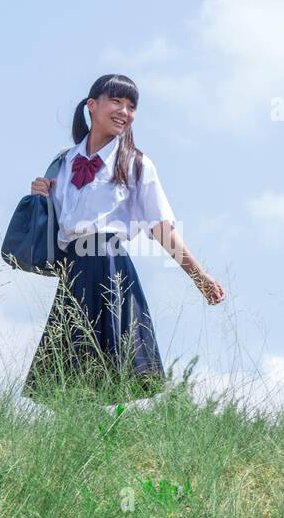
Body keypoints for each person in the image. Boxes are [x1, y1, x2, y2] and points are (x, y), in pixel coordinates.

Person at [22, 73, 225, 404]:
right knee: (67, 375)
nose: (124, 111)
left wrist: (199, 276)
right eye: (116, 101)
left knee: (116, 370)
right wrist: (41, 197)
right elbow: (54, 225)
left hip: (110, 266)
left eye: (131, 106)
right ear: (92, 106)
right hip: (72, 271)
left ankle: (110, 441)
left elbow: (161, 227)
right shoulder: (63, 162)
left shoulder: (136, 163)